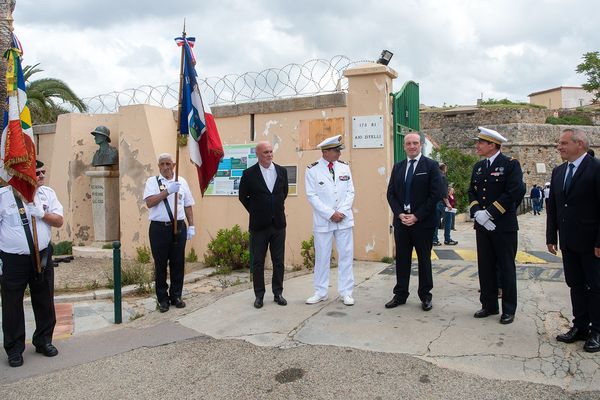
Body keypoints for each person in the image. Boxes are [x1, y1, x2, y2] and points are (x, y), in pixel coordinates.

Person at [0, 160, 64, 368]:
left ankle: (43, 340)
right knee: (12, 305)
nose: (41, 174)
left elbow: (59, 220)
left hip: (42, 256)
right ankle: (14, 349)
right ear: (23, 175)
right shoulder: (3, 197)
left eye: (43, 171)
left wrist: (41, 214)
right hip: (13, 260)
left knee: (44, 300)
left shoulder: (47, 194)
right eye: (37, 172)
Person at [547, 128, 600, 353]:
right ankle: (580, 326)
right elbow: (555, 208)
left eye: (563, 143)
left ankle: (597, 330)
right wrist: (552, 236)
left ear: (579, 144)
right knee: (575, 285)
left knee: (596, 287)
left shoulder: (596, 169)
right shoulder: (559, 171)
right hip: (569, 241)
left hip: (592, 243)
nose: (559, 147)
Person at [468, 127, 524, 325]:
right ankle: (489, 304)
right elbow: (471, 192)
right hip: (482, 226)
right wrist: (477, 213)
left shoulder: (510, 165)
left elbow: (513, 193)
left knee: (506, 267)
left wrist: (490, 213)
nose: (477, 146)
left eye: (481, 143)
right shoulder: (479, 167)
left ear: (492, 145)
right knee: (486, 266)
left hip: (503, 226)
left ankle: (508, 309)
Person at [386, 132, 441, 311]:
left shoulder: (431, 166)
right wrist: (400, 214)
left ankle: (425, 295)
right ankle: (400, 294)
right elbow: (391, 194)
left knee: (424, 260)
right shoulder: (398, 167)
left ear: (421, 145)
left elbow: (435, 195)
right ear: (404, 146)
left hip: (423, 223)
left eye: (415, 143)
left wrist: (417, 216)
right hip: (402, 222)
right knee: (402, 259)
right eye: (408, 143)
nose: (411, 146)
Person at [305, 134, 355, 306]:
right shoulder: (312, 170)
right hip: (323, 221)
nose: (339, 153)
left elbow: (350, 192)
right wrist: (330, 213)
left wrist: (340, 212)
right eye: (336, 150)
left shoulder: (344, 168)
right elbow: (312, 196)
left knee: (346, 256)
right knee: (322, 257)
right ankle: (320, 291)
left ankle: (346, 292)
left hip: (343, 219)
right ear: (326, 152)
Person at [239, 141, 289, 309]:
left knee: (278, 261)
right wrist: (256, 211)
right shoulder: (249, 174)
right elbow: (243, 197)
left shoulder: (281, 171)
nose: (269, 154)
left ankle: (278, 293)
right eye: (265, 152)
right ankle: (259, 295)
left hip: (278, 225)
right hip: (259, 226)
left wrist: (274, 208)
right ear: (258, 155)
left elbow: (284, 193)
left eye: (270, 151)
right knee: (258, 262)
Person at [143, 153, 195, 313]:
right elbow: (150, 202)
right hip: (159, 228)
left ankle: (176, 296)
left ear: (173, 165)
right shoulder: (152, 182)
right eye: (162, 164)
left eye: (168, 164)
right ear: (158, 166)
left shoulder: (182, 181)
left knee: (178, 263)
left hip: (178, 226)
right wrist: (167, 191)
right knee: (160, 265)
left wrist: (192, 224)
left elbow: (188, 204)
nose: (165, 167)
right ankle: (162, 299)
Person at [432, 163, 449, 246]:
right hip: (440, 202)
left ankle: (434, 239)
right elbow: (444, 192)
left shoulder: (434, 176)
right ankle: (441, 239)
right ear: (444, 168)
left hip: (433, 202)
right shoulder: (443, 177)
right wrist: (448, 204)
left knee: (434, 222)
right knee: (442, 221)